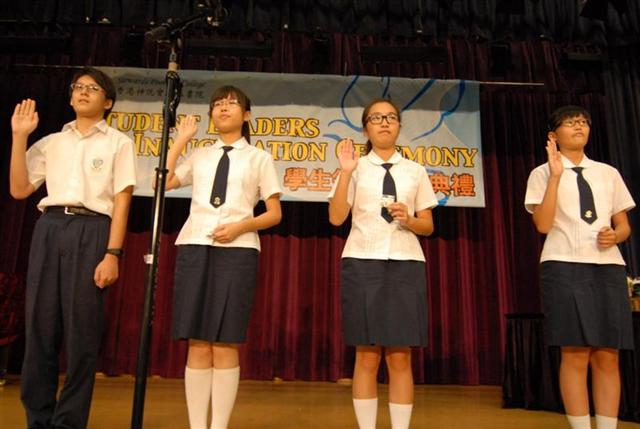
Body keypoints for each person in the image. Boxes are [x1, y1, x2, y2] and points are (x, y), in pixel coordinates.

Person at [9, 67, 137, 428]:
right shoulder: (52, 142)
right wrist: (20, 138)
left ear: (107, 102)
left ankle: (68, 422)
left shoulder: (118, 142)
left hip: (93, 229)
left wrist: (113, 254)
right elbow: (19, 189)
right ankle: (39, 418)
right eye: (78, 87)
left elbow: (122, 200)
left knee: (82, 335)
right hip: (49, 228)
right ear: (70, 97)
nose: (83, 92)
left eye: (92, 88)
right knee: (40, 329)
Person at [164, 85, 282, 429]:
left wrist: (241, 226)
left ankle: (219, 426)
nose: (223, 108)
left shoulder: (259, 158)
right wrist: (180, 141)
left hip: (238, 250)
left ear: (246, 115)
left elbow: (274, 213)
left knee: (226, 339)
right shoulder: (200, 155)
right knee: (198, 340)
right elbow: (164, 182)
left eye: (232, 104)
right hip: (196, 244)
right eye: (217, 104)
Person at [328, 98, 438, 429]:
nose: (384, 122)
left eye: (391, 117)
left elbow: (428, 225)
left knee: (400, 355)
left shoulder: (415, 171)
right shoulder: (354, 167)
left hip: (405, 263)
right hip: (363, 261)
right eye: (376, 118)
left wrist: (409, 219)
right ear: (366, 128)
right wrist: (346, 174)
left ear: (399, 125)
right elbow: (336, 218)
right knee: (366, 353)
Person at [524, 105, 635, 429]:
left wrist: (616, 234)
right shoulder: (541, 173)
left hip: (607, 266)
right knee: (574, 353)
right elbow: (543, 225)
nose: (579, 127)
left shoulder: (608, 173)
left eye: (584, 122)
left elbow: (624, 225)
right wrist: (556, 176)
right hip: (563, 264)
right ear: (552, 135)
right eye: (570, 123)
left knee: (607, 353)